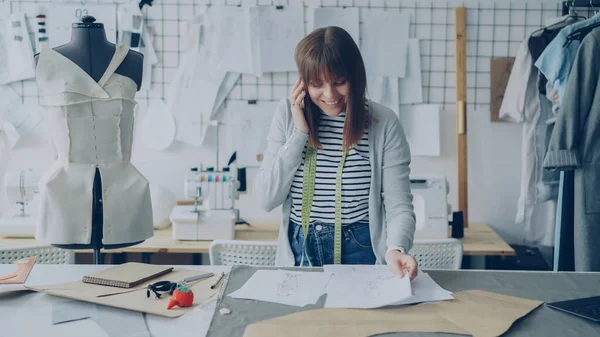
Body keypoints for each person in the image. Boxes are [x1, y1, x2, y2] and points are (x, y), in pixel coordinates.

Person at [254, 26, 418, 279]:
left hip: (360, 248)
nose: (329, 95)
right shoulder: (287, 115)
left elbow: (399, 205)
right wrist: (299, 134)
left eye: (339, 82)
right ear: (303, 82)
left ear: (355, 76)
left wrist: (396, 248)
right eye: (317, 84)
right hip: (300, 249)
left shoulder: (383, 123)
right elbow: (266, 199)